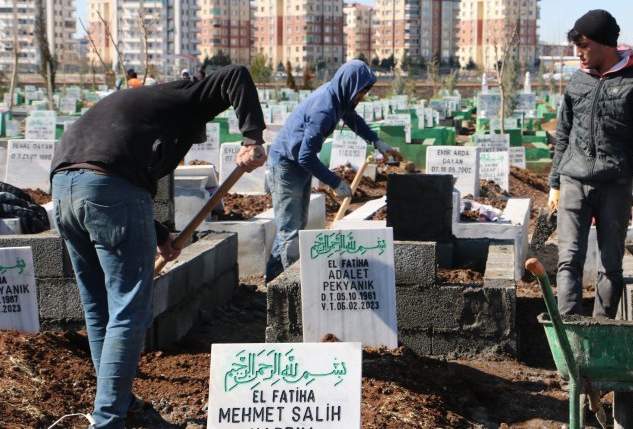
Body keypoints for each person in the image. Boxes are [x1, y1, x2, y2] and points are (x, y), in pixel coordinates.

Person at [50, 64, 267, 428]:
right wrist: (252, 139)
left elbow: (101, 173)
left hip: (64, 192)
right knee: (127, 310)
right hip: (110, 189)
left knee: (99, 309)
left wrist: (156, 232)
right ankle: (107, 419)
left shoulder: (137, 103)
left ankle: (117, 401)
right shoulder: (187, 96)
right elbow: (237, 75)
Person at [547, 9, 633, 319]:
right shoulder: (577, 80)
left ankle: (601, 330)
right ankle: (569, 333)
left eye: (583, 46)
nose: (579, 54)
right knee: (568, 259)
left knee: (610, 264)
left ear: (605, 44)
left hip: (616, 184)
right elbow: (564, 134)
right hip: (573, 181)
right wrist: (555, 183)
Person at [265, 59, 402, 283]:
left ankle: (273, 279)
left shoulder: (338, 97)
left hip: (297, 163)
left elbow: (353, 119)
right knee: (289, 229)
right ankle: (288, 285)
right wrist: (335, 182)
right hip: (286, 165)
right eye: (361, 92)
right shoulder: (325, 108)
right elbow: (305, 156)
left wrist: (377, 142)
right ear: (350, 85)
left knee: (296, 224)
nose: (362, 97)